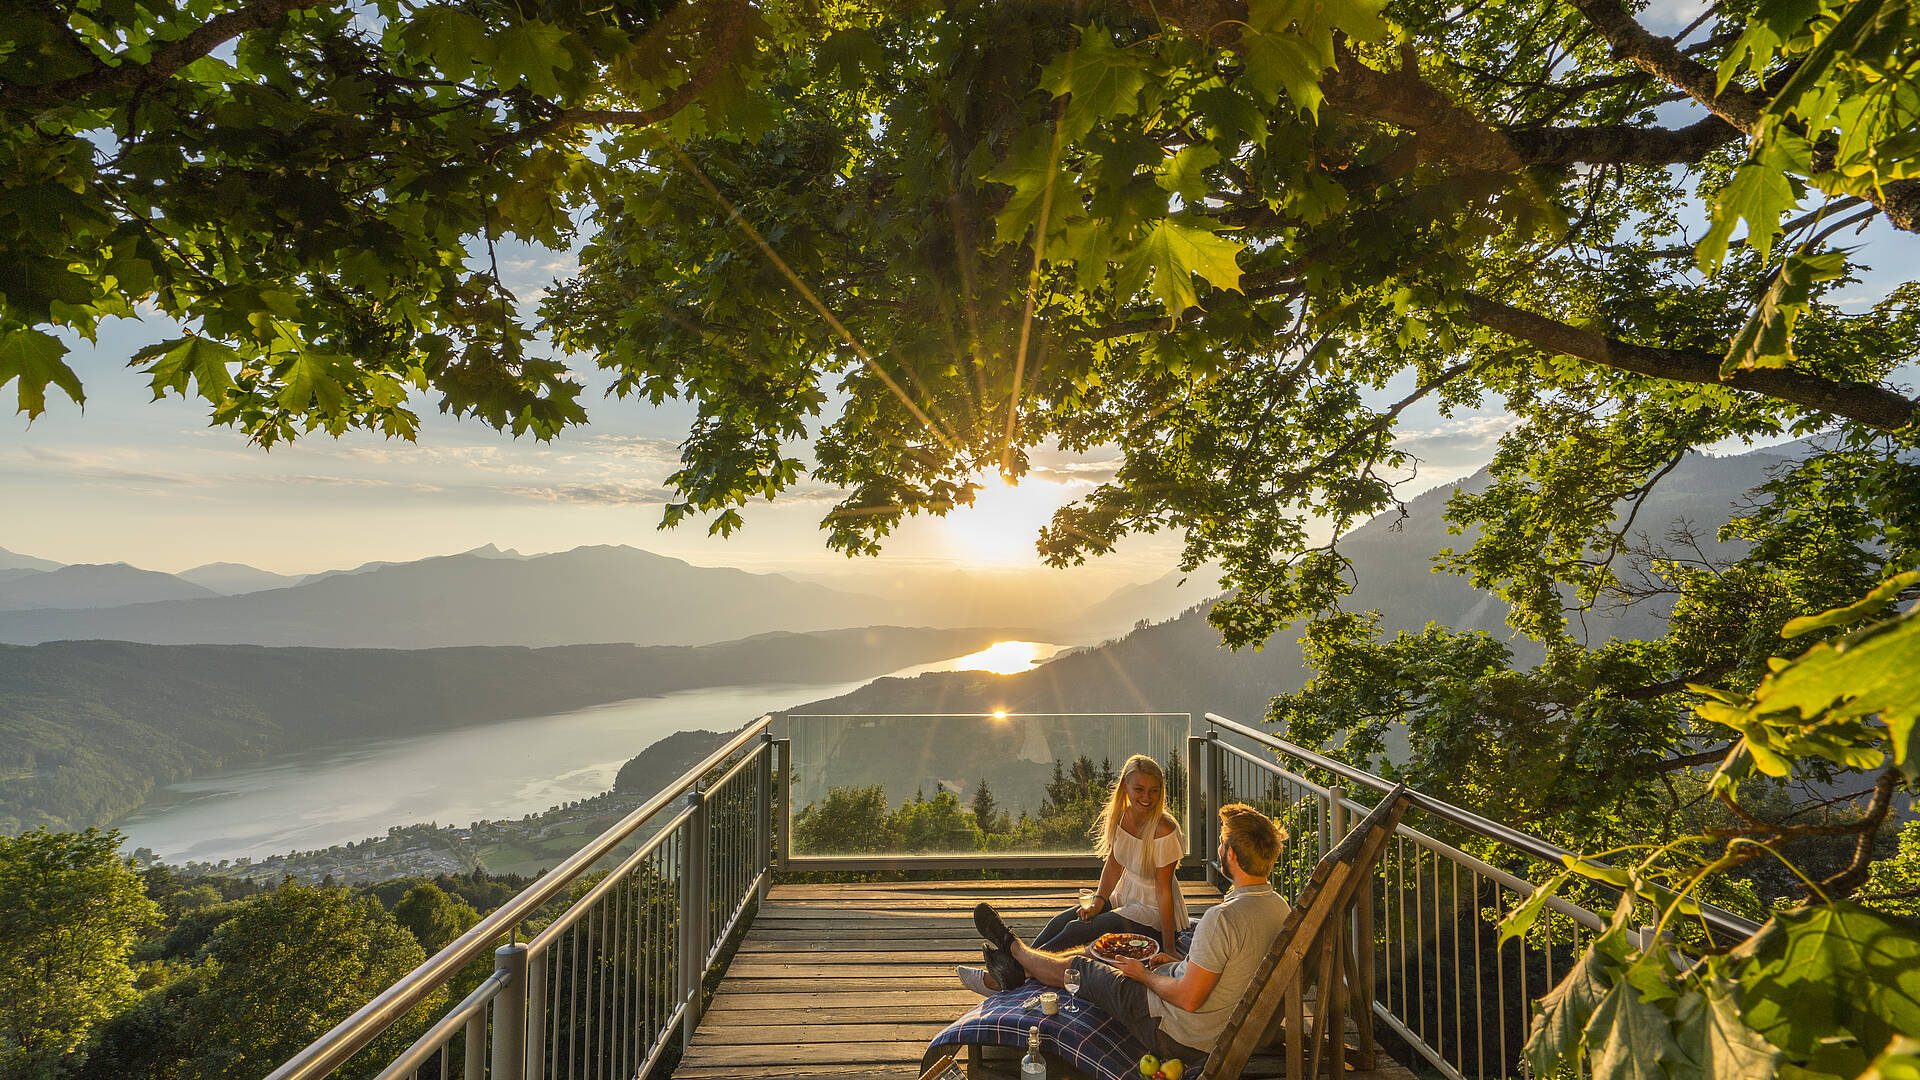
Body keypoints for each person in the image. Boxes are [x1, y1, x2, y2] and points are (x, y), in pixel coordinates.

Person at [971, 803, 1291, 1068]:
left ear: (1231, 856)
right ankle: (1020, 964)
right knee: (1088, 949)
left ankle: (1015, 950)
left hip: (1178, 1033)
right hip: (1219, 1022)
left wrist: (1144, 976)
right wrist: (1177, 963)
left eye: (1222, 844)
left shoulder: (1221, 919)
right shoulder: (1280, 909)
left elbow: (1189, 999)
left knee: (1082, 965)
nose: (1219, 849)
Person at [955, 755, 1188, 994]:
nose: (1147, 797)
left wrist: (1169, 947)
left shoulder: (1164, 829)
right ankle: (1014, 971)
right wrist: (1100, 901)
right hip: (1125, 897)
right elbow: (1115, 864)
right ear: (1125, 788)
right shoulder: (1122, 816)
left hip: (1153, 912)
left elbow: (1163, 889)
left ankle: (1005, 977)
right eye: (1139, 789)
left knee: (1076, 931)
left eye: (1154, 791)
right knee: (1061, 922)